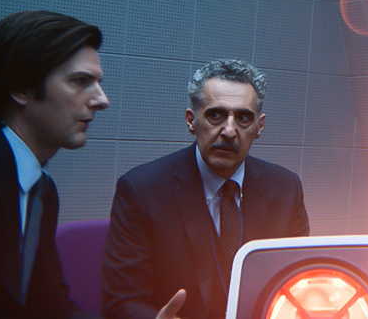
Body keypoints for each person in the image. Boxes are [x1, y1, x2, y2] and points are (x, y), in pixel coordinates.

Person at [0, 11, 185, 319]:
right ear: (20, 87)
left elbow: (53, 309)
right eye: (81, 81)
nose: (102, 100)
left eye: (98, 83)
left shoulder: (42, 190)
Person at [102, 59, 310, 319]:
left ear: (260, 126)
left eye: (243, 118)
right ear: (191, 121)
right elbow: (121, 302)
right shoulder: (141, 190)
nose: (229, 131)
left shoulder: (286, 189)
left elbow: (299, 283)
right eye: (215, 115)